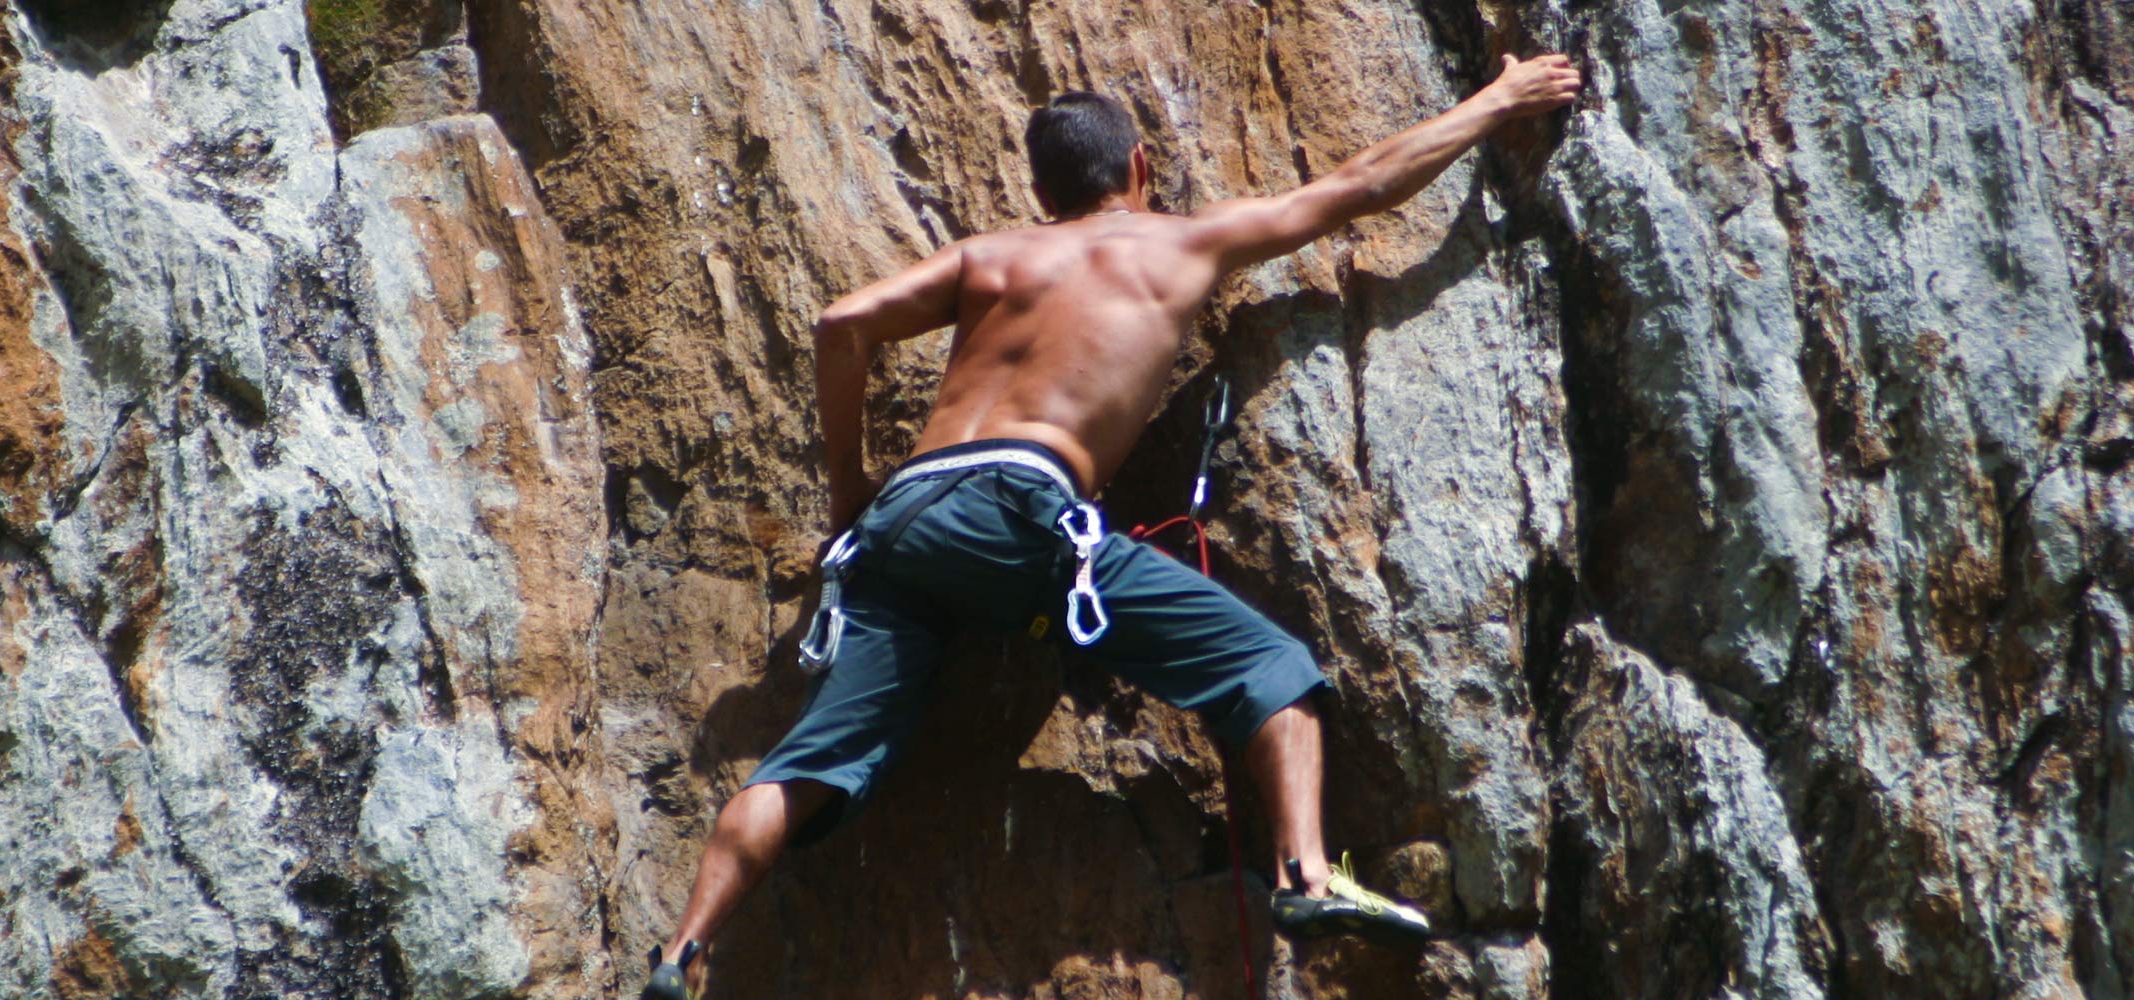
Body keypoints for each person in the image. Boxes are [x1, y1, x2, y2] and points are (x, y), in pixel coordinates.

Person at [644, 53, 1585, 999]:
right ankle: (1306, 877)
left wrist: (848, 495)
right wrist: (1499, 100)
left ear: (1042, 190)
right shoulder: (1175, 245)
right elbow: (1359, 186)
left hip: (898, 526)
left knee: (807, 765)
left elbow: (840, 322)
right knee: (1271, 669)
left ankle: (679, 957)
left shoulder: (992, 256)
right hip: (1018, 504)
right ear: (1138, 167)